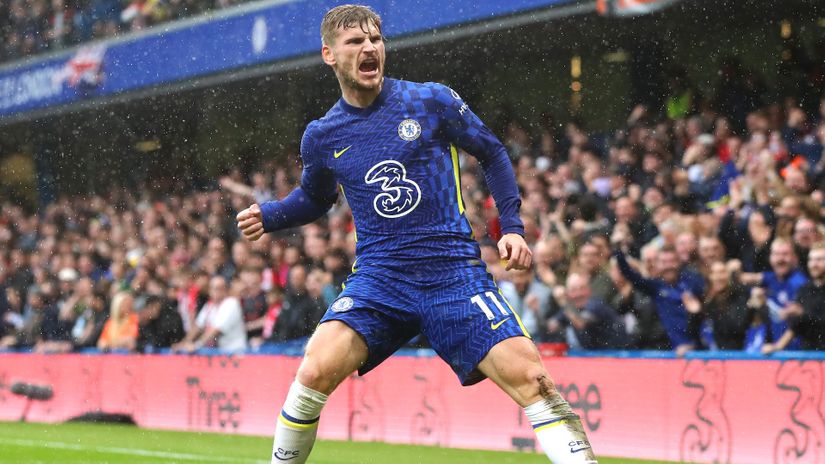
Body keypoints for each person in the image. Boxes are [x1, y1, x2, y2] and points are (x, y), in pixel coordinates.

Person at [235, 5, 597, 463]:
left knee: (534, 381)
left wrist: (512, 228)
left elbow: (492, 153)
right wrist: (270, 216)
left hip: (453, 274)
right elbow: (314, 198)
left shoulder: (431, 101)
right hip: (380, 279)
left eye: (376, 40)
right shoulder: (323, 135)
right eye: (356, 42)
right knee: (313, 372)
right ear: (329, 54)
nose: (370, 48)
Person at [763, 242, 825, 353]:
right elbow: (795, 327)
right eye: (811, 260)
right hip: (809, 356)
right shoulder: (805, 289)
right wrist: (778, 347)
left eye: (819, 260)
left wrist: (803, 314)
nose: (814, 264)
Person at [172, 275, 247, 353]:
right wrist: (184, 343)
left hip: (236, 352)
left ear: (225, 289)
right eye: (213, 288)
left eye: (219, 288)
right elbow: (197, 327)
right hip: (220, 353)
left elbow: (215, 330)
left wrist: (196, 345)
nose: (216, 292)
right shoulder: (209, 306)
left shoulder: (231, 303)